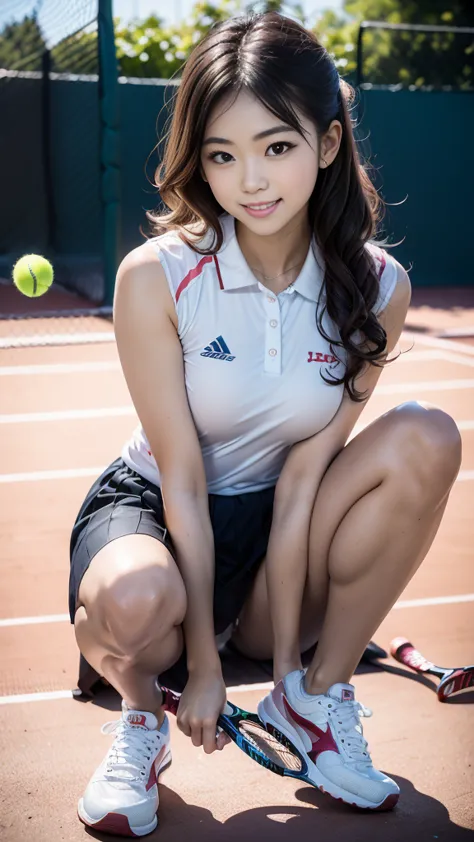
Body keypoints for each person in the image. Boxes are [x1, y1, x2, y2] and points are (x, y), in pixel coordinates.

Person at [68, 10, 462, 837]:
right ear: (198, 161)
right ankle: (143, 716)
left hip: (278, 520)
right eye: (222, 154)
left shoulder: (379, 287)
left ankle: (314, 697)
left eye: (276, 147)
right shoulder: (159, 276)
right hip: (160, 507)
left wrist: (281, 674)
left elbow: (303, 482)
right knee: (139, 597)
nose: (251, 180)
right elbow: (180, 476)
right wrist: (205, 667)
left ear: (325, 144)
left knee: (428, 434)